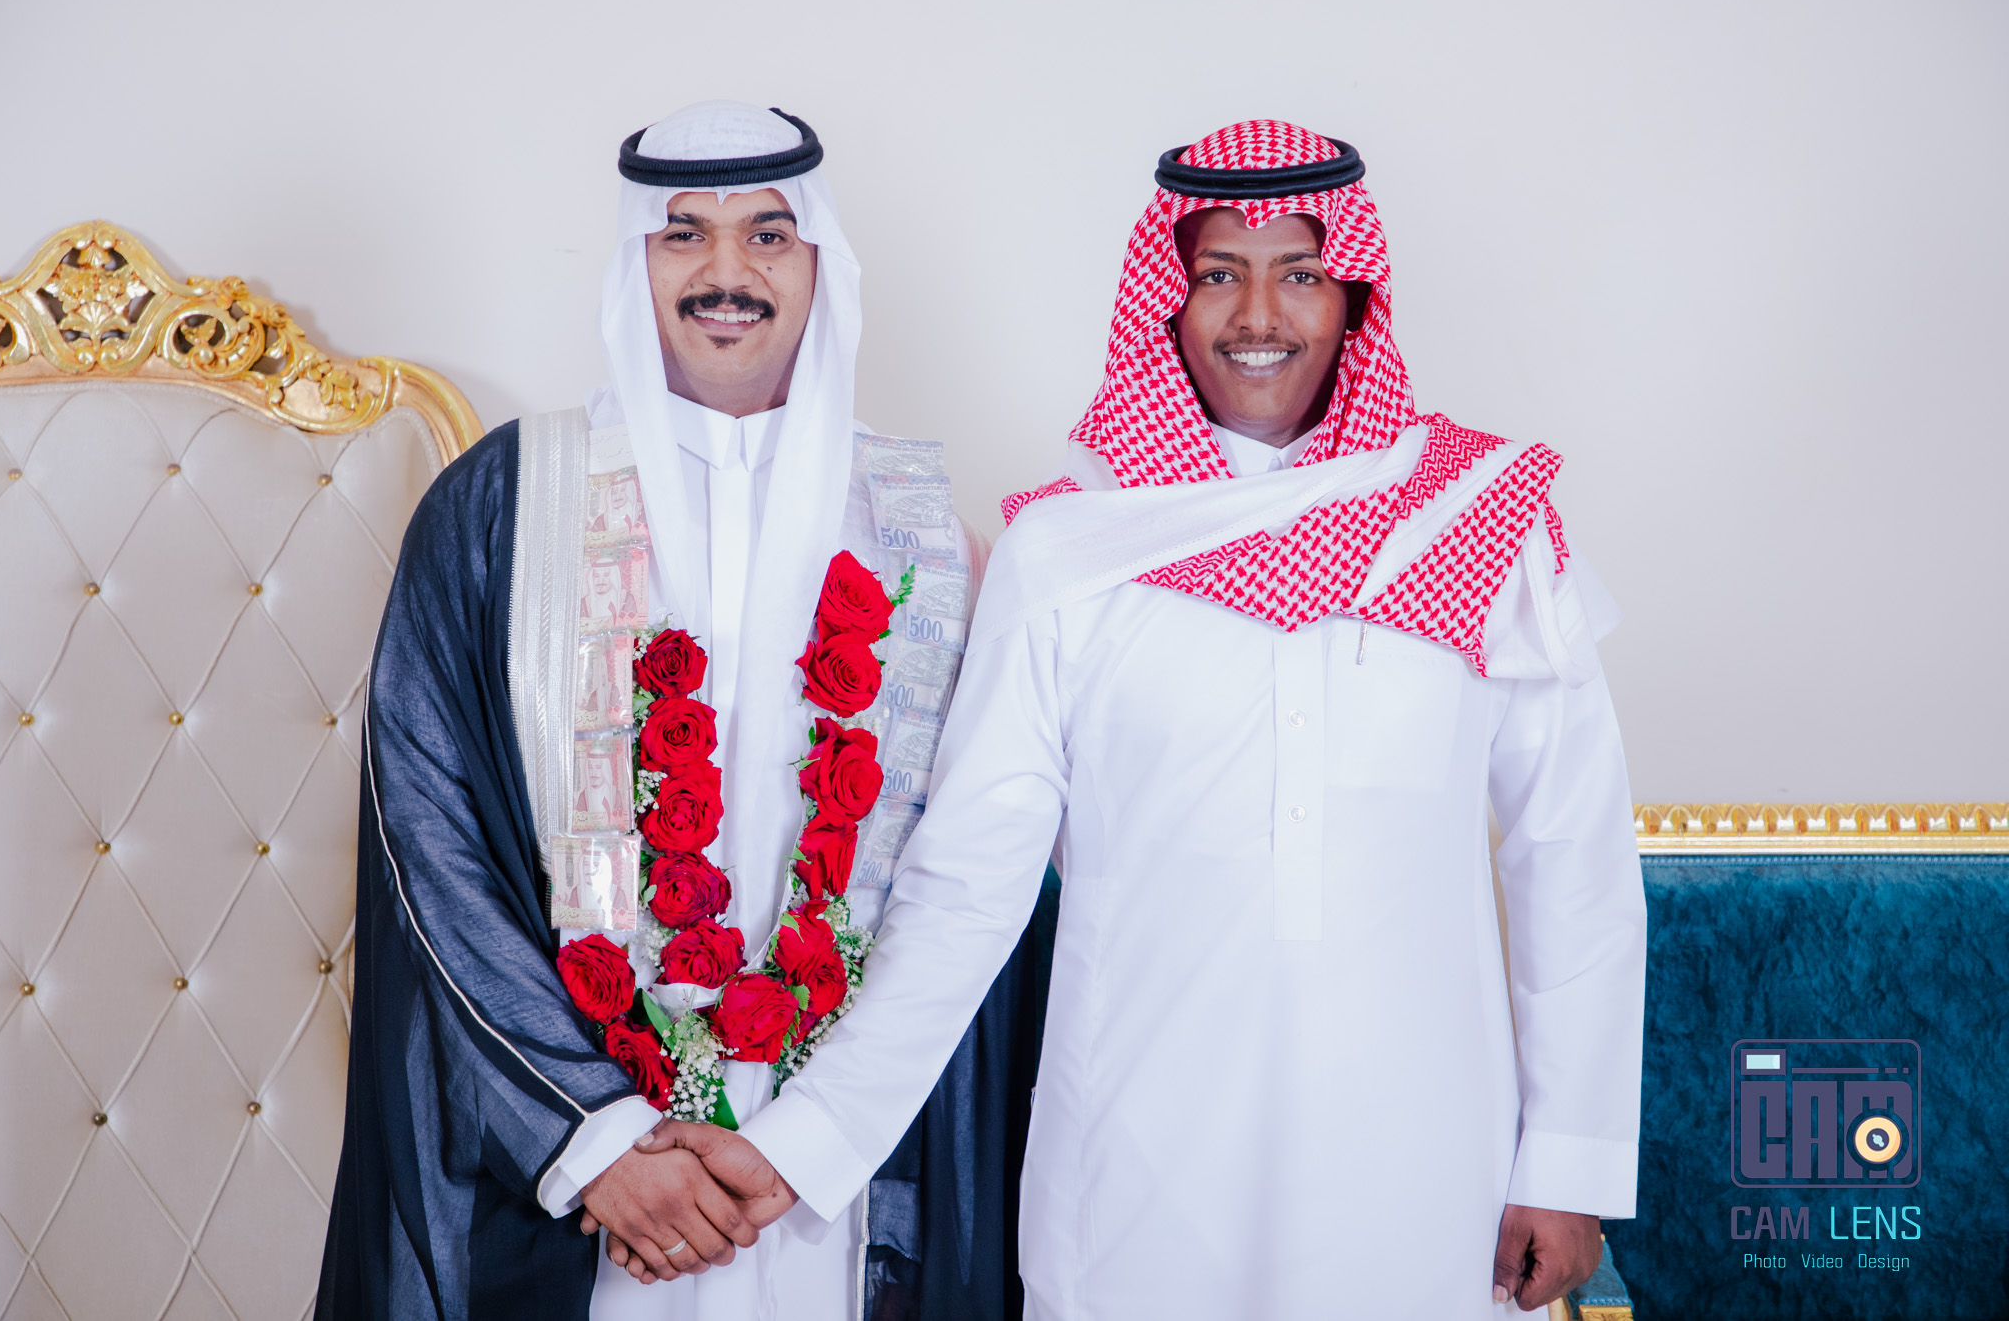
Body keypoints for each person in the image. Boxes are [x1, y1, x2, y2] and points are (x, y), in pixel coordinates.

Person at [688, 119, 1647, 1319]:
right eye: (1217, 274)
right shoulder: (1068, 551)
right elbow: (968, 886)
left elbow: (1570, 855)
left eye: (1299, 272)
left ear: (1352, 295)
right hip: (1137, 1165)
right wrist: (807, 1141)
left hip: (1417, 1160)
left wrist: (1566, 1164)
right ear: (1167, 299)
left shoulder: (1477, 518)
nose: (1259, 315)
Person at [317, 100, 1040, 1321]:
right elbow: (427, 841)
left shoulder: (927, 537)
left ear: (818, 262)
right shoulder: (503, 504)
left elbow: (967, 880)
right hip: (578, 1172)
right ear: (633, 263)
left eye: (767, 235)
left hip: (830, 1171)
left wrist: (812, 1139)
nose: (725, 273)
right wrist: (596, 1140)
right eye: (682, 235)